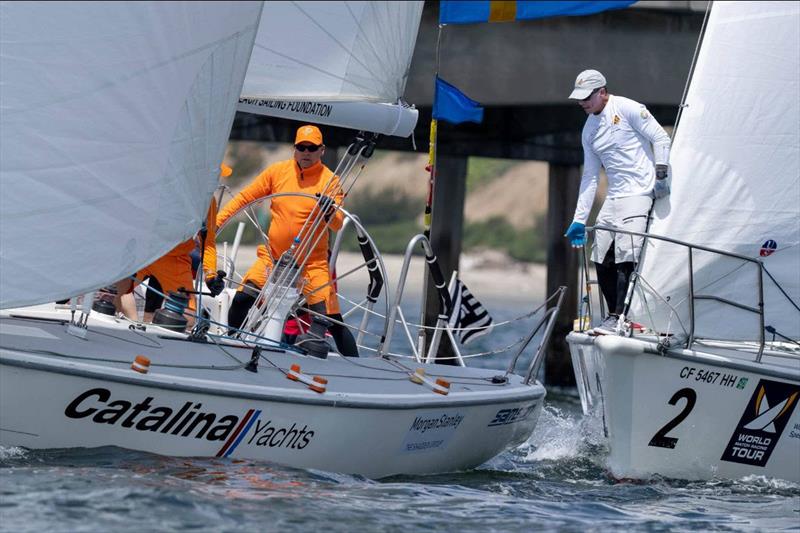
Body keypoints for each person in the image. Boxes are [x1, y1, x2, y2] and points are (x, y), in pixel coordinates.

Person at [216, 125, 358, 356]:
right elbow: (245, 197)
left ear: (321, 150)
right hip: (273, 258)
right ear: (294, 149)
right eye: (301, 147)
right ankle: (228, 347)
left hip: (312, 264)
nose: (306, 152)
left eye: (312, 148)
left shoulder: (330, 181)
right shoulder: (277, 172)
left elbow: (338, 223)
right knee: (243, 299)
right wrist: (218, 223)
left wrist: (328, 211)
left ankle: (358, 369)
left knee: (330, 318)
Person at [564, 69, 671, 334]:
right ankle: (612, 316)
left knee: (626, 254)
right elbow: (590, 176)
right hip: (614, 196)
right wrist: (579, 219)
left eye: (587, 97)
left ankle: (622, 317)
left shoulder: (627, 108)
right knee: (600, 255)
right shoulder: (588, 129)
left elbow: (660, 137)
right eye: (579, 99)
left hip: (640, 192)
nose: (583, 103)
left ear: (602, 92)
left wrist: (661, 174)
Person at [115, 164, 231, 324]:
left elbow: (208, 242)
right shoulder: (164, 186)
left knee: (189, 319)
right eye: (215, 176)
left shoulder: (207, 202)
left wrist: (211, 276)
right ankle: (133, 326)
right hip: (143, 252)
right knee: (118, 291)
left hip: (173, 259)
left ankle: (141, 327)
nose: (217, 180)